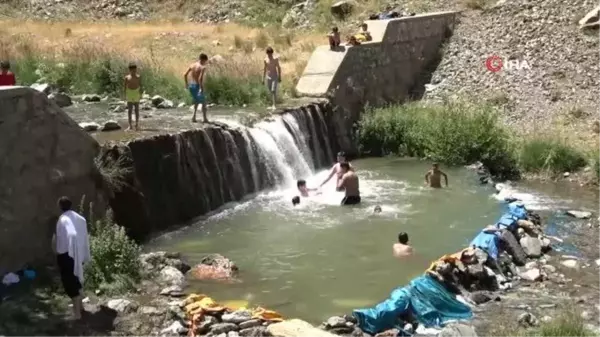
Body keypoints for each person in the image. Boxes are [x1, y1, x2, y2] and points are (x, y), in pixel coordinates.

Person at [52, 196, 90, 320]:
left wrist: (71, 248)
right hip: (77, 255)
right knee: (76, 279)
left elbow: (72, 234)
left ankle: (77, 315)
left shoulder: (63, 219)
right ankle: (81, 308)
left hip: (67, 255)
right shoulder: (79, 218)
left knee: (70, 283)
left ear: (60, 206)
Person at [184, 53, 209, 123]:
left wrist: (186, 84)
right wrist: (201, 88)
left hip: (191, 86)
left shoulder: (192, 65)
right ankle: (205, 119)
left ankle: (193, 117)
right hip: (198, 86)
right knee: (204, 103)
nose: (205, 63)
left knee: (196, 101)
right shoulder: (202, 67)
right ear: (203, 60)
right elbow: (200, 79)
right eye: (205, 61)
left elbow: (185, 75)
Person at [123, 62, 142, 131]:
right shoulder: (127, 77)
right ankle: (130, 125)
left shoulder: (138, 77)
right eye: (133, 70)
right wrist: (124, 95)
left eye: (135, 70)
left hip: (136, 93)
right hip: (129, 93)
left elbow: (140, 85)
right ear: (130, 70)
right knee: (130, 110)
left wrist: (141, 94)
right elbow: (124, 87)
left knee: (137, 110)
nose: (134, 71)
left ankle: (137, 124)